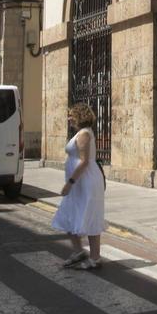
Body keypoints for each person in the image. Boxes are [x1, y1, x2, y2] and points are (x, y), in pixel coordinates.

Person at [52, 103, 106, 269]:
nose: (69, 118)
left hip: (85, 182)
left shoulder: (83, 134)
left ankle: (95, 258)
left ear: (79, 116)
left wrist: (70, 183)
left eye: (71, 115)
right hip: (79, 183)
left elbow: (84, 162)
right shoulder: (80, 133)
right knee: (69, 214)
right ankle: (78, 251)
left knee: (89, 217)